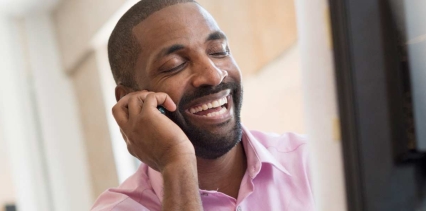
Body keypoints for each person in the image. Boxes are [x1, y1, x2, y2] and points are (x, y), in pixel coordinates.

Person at [91, 0, 313, 210]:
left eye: (219, 51)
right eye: (174, 65)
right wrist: (176, 165)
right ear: (130, 100)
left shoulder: (312, 163)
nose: (213, 75)